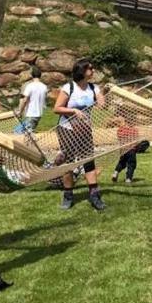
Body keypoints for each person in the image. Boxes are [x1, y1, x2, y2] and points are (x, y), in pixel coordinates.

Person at [53, 59, 106, 211]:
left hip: (84, 130)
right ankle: (68, 196)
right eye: (90, 68)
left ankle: (95, 196)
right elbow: (57, 109)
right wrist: (74, 110)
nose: (93, 70)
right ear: (82, 71)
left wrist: (103, 95)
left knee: (88, 162)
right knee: (68, 163)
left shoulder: (93, 88)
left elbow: (102, 106)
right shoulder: (69, 87)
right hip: (67, 129)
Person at [109, 108, 142, 184]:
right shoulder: (134, 130)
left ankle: (116, 172)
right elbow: (136, 141)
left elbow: (119, 138)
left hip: (123, 150)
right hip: (131, 150)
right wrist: (137, 148)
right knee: (131, 164)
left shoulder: (120, 130)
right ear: (133, 122)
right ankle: (128, 178)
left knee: (122, 162)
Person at [14, 69, 48, 134]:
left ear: (32, 76)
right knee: (25, 131)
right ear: (40, 76)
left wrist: (20, 111)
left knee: (20, 132)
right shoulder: (44, 87)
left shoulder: (29, 86)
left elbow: (24, 100)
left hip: (31, 113)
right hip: (39, 114)